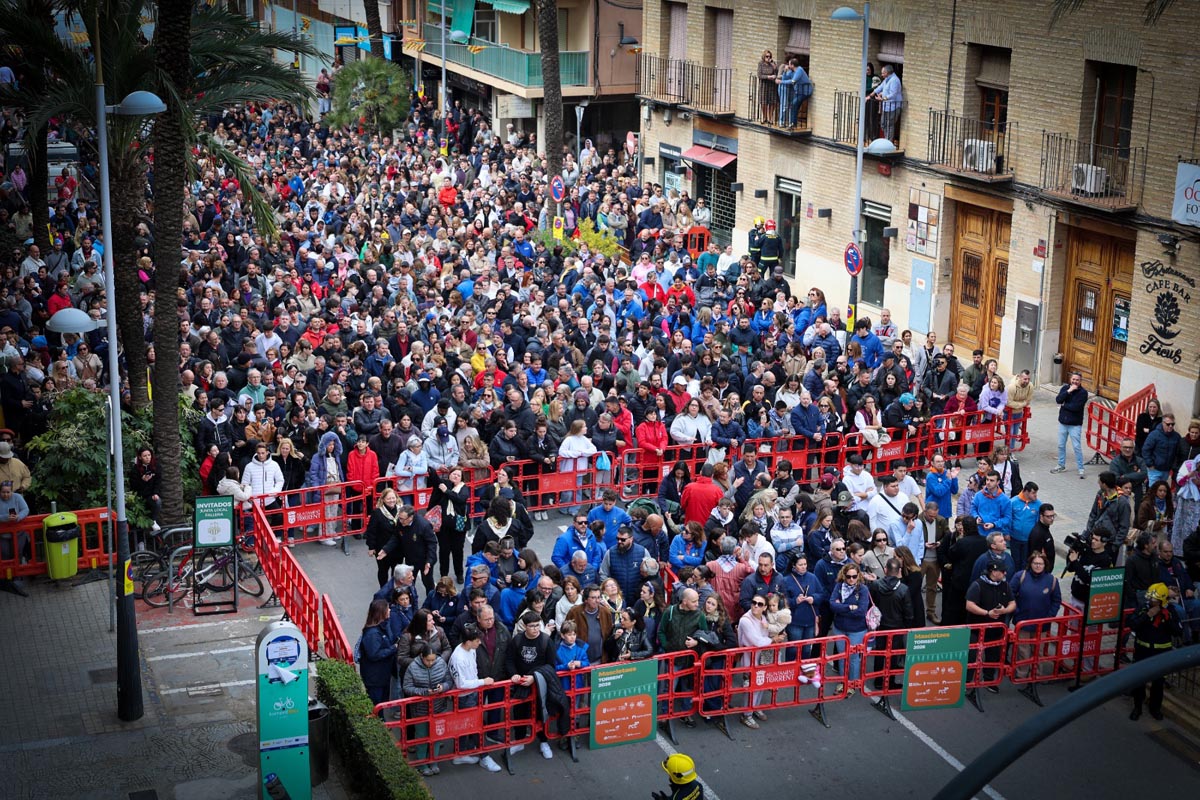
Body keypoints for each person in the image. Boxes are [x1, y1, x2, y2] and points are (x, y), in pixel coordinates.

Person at [446, 623, 504, 772]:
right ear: (468, 641)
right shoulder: (458, 658)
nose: (480, 643)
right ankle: (483, 756)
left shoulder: (470, 650)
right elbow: (461, 683)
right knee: (475, 726)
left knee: (467, 726)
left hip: (472, 693)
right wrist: (482, 682)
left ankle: (461, 752)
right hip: (465, 696)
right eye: (477, 640)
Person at [1127, 583, 1181, 721]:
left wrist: (1166, 618)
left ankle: (1155, 708)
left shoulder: (1170, 611)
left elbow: (1178, 631)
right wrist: (1147, 615)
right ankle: (1137, 707)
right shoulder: (1143, 608)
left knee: (1158, 683)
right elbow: (1132, 624)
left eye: (1155, 600)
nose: (1151, 601)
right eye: (1150, 599)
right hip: (1142, 651)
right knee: (1139, 681)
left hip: (1161, 652)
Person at [964, 557, 1016, 697]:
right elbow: (969, 605)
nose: (1005, 574)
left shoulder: (1005, 585)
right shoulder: (977, 585)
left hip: (996, 631)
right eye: (1002, 571)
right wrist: (987, 613)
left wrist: (1004, 611)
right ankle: (967, 683)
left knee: (993, 657)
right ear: (993, 571)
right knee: (972, 657)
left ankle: (989, 681)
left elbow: (1012, 603)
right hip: (977, 630)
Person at [867, 557, 914, 711]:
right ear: (899, 571)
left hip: (880, 626)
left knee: (880, 652)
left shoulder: (875, 585)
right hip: (896, 627)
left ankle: (878, 680)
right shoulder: (904, 589)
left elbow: (871, 603)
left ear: (886, 570)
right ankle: (890, 680)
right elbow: (908, 612)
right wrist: (908, 626)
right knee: (893, 655)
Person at [402, 642, 453, 775]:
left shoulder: (441, 663)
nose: (430, 663)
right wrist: (424, 692)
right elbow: (407, 687)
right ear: (421, 656)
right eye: (428, 660)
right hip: (420, 710)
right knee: (422, 737)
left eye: (433, 660)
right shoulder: (412, 667)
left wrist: (443, 687)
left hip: (439, 707)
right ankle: (422, 764)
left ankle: (434, 761)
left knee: (436, 736)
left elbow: (449, 680)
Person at [1010, 552, 1062, 682]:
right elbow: (1010, 594)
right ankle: (1021, 675)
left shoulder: (1052, 580)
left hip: (1042, 625)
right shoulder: (1020, 576)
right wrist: (1016, 611)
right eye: (1035, 563)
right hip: (1023, 622)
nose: (1038, 566)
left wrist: (1049, 616)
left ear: (1045, 565)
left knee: (1038, 651)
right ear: (1030, 563)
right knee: (1023, 651)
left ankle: (1036, 675)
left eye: (1040, 563)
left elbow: (1056, 601)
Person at [358, 598, 398, 708]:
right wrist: (393, 648)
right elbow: (374, 654)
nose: (390, 610)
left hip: (383, 675)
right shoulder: (372, 634)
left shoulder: (383, 626)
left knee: (382, 703)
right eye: (387, 609)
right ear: (381, 613)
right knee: (377, 705)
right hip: (375, 678)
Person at [1052, 372, 1087, 477]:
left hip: (1075, 425)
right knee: (1061, 445)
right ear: (1070, 379)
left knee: (1076, 447)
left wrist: (1064, 405)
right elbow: (1058, 400)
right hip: (1063, 422)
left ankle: (1081, 468)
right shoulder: (1065, 388)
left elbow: (1076, 407)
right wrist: (1068, 391)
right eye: (1073, 379)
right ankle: (1061, 465)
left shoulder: (1083, 393)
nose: (1075, 381)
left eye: (1077, 380)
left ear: (1080, 381)